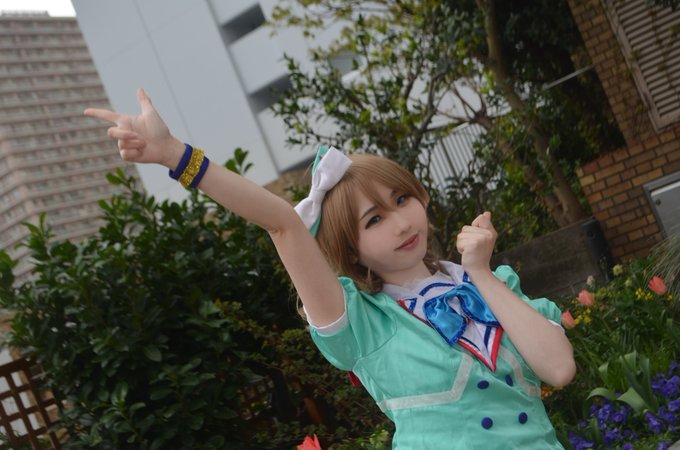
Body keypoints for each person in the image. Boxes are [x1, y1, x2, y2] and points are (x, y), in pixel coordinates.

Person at [84, 88, 576, 449]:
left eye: (402, 199)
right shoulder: (363, 320)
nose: (401, 222)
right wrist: (175, 155)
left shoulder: (492, 284)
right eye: (374, 219)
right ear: (350, 249)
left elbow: (558, 368)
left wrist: (483, 275)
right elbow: (281, 223)